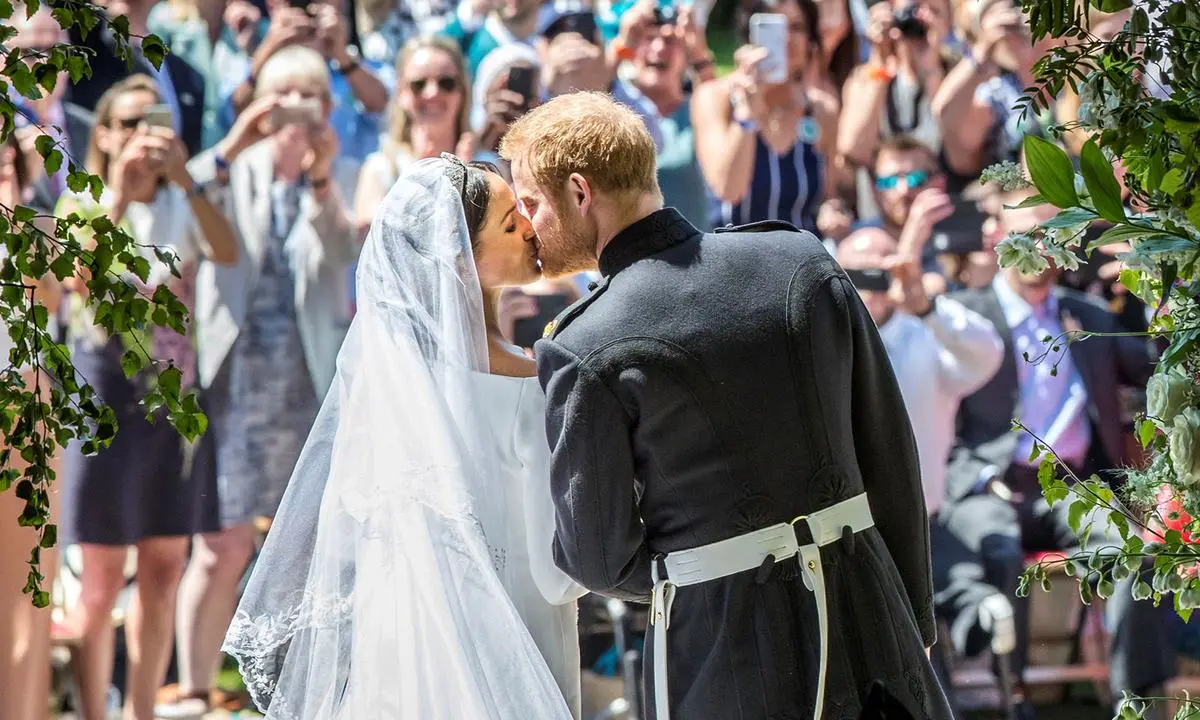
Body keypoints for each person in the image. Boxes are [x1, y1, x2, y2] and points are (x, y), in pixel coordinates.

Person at [500, 90, 952, 720]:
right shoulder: (800, 260)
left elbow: (597, 556)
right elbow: (890, 451)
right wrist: (914, 621)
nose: (528, 226)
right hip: (871, 614)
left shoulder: (582, 343)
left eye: (531, 204)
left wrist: (703, 569)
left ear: (580, 193)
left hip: (725, 649)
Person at [222, 155, 586, 718]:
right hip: (519, 651)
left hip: (400, 647)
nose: (531, 229)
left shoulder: (386, 386)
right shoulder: (529, 385)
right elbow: (556, 576)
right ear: (460, 260)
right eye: (511, 222)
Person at [159, 45, 361, 720]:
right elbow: (172, 221)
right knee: (222, 545)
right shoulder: (231, 166)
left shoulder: (338, 173)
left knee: (312, 543)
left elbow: (339, 262)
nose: (297, 114)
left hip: (311, 382)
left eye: (311, 98)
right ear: (257, 104)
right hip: (236, 381)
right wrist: (235, 140)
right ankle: (194, 689)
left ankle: (300, 692)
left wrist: (323, 179)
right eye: (284, 98)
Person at [944, 189, 1176, 714]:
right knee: (999, 549)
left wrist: (1154, 287)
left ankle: (1135, 701)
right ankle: (1014, 696)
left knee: (1129, 548)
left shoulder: (1087, 315)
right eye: (1026, 231)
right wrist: (974, 479)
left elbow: (1160, 370)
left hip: (1075, 487)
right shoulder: (962, 316)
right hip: (991, 486)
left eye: (1053, 233)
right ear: (996, 237)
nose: (1040, 246)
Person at [53, 73, 239, 720]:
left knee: (164, 566)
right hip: (103, 396)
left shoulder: (184, 201)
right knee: (101, 579)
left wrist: (184, 179)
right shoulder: (82, 199)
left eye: (153, 120)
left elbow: (227, 250)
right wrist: (121, 198)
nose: (142, 136)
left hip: (174, 402)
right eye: (128, 123)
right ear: (101, 133)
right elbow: (77, 278)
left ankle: (143, 712)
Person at [691, 0, 839, 235]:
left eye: (797, 28)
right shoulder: (715, 98)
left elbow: (828, 197)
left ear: (810, 42)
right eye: (775, 28)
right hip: (733, 257)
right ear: (751, 36)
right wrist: (747, 112)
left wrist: (833, 211)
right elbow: (729, 189)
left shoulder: (822, 109)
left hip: (801, 261)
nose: (786, 39)